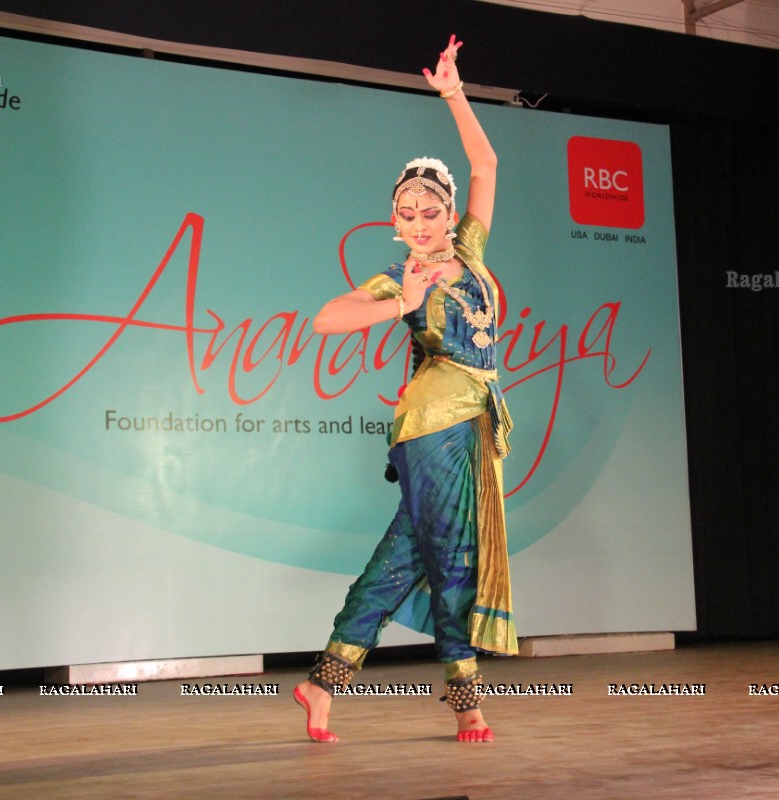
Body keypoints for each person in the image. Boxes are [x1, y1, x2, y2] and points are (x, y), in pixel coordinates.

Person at [294, 34, 516, 744]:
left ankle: (323, 681)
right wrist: (399, 303)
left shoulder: (471, 253)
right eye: (407, 214)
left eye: (430, 212)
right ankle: (465, 699)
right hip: (433, 428)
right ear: (396, 222)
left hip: (470, 423)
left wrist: (452, 93)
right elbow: (327, 319)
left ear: (449, 214)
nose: (418, 223)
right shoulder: (403, 279)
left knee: (407, 555)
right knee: (450, 556)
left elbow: (485, 162)